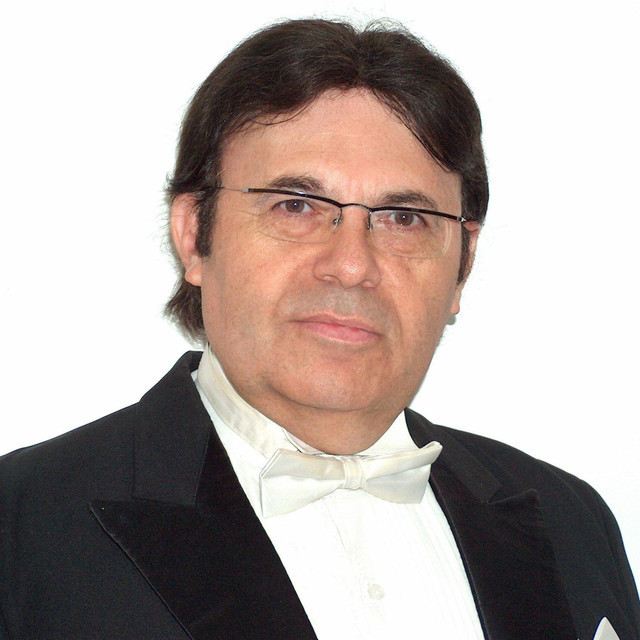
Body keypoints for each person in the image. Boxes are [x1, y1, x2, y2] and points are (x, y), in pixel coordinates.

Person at [0, 17, 638, 640]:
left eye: (403, 218)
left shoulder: (572, 523)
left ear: (462, 264)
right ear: (194, 235)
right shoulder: (21, 530)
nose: (351, 265)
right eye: (296, 206)